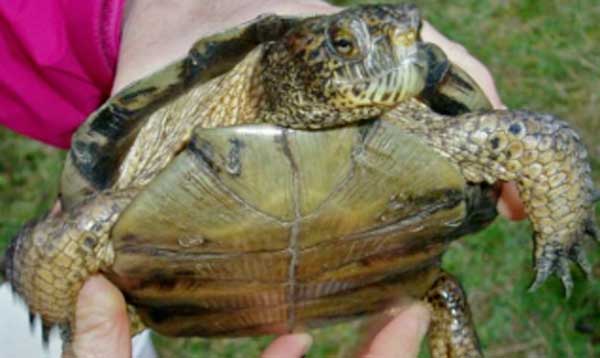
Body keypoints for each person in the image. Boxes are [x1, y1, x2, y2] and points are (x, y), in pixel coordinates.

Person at [0, 1, 526, 357]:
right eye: (345, 45)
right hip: (178, 284)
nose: (397, 56)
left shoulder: (409, 114)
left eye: (404, 40)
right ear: (292, 58)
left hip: (371, 268)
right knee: (62, 272)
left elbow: (532, 143)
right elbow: (64, 244)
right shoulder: (212, 96)